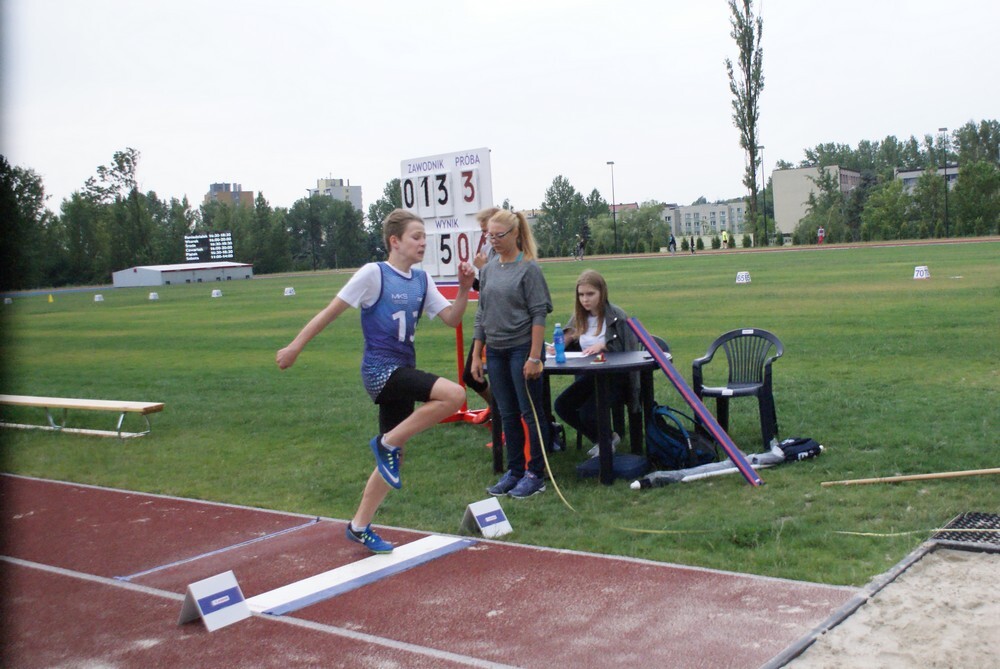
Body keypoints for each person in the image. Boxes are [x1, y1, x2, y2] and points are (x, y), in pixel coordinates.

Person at [276, 209, 475, 554]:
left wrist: (463, 289)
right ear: (394, 241)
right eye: (416, 237)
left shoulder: (422, 280)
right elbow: (330, 312)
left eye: (424, 237)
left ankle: (359, 525)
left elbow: (452, 319)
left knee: (395, 454)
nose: (422, 243)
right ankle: (386, 443)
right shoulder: (373, 274)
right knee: (454, 394)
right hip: (380, 372)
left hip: (403, 368)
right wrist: (295, 346)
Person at [470, 209, 552, 498]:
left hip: (521, 348)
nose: (493, 241)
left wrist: (534, 356)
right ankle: (515, 470)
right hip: (496, 350)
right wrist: (476, 353)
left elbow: (538, 313)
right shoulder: (489, 269)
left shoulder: (529, 269)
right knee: (506, 412)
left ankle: (536, 473)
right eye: (489, 235)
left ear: (516, 234)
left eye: (499, 235)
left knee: (530, 412)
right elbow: (482, 313)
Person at [552, 270, 640, 457]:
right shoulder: (579, 317)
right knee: (562, 405)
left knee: (587, 413)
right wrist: (556, 346)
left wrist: (606, 346)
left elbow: (631, 352)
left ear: (602, 292)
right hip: (589, 377)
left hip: (615, 378)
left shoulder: (617, 316)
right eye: (581, 295)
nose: (585, 299)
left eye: (590, 294)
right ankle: (606, 439)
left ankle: (606, 446)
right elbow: (567, 336)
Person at [461, 206, 500, 424]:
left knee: (478, 374)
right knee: (471, 374)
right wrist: (472, 280)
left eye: (488, 231)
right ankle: (497, 408)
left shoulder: (508, 252)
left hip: (502, 326)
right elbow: (486, 290)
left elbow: (499, 288)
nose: (486, 236)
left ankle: (502, 413)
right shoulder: (489, 249)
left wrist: (483, 270)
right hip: (486, 322)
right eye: (485, 231)